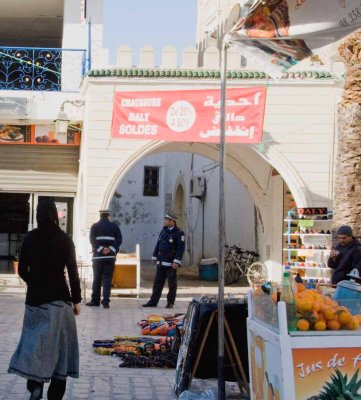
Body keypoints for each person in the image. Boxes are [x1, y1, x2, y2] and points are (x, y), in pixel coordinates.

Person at [8, 198, 81, 400]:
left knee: (35, 344)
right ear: (55, 214)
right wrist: (76, 300)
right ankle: (55, 393)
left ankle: (35, 385)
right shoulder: (64, 239)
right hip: (60, 301)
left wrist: (35, 283)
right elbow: (73, 273)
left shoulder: (30, 239)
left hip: (35, 301)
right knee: (61, 348)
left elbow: (22, 270)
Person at [142, 212, 185, 309]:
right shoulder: (164, 230)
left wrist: (176, 261)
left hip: (171, 263)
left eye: (166, 220)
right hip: (161, 262)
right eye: (165, 219)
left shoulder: (179, 233)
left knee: (171, 284)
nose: (164, 221)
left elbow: (180, 248)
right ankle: (153, 302)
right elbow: (158, 244)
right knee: (157, 283)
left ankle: (170, 302)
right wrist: (154, 256)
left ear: (172, 221)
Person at [86, 209, 122, 309]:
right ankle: (105, 302)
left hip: (98, 257)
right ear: (108, 215)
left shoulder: (94, 226)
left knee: (97, 279)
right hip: (110, 257)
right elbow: (119, 240)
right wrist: (110, 249)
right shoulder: (115, 226)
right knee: (107, 279)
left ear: (100, 216)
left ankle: (95, 301)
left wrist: (101, 249)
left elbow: (92, 240)